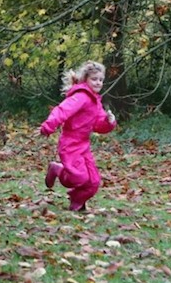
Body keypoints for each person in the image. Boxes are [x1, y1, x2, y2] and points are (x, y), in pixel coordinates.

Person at [39, 60, 117, 212]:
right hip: (70, 144)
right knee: (78, 178)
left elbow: (98, 125)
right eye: (94, 79)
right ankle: (57, 169)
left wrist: (109, 122)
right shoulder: (81, 96)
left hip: (83, 145)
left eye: (101, 80)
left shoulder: (95, 101)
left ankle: (77, 203)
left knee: (93, 182)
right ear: (85, 79)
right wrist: (48, 126)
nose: (98, 83)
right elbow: (62, 110)